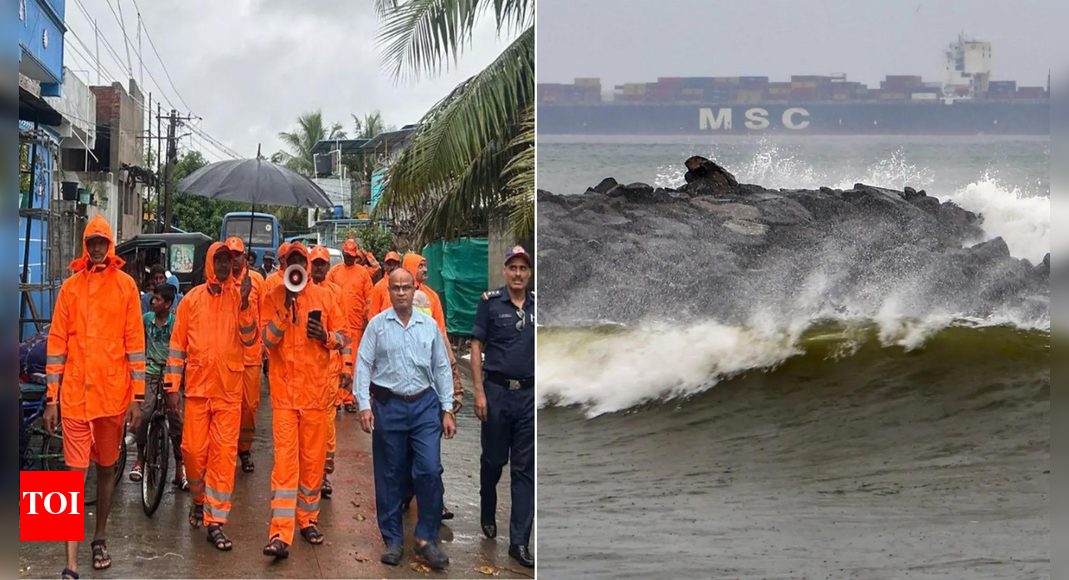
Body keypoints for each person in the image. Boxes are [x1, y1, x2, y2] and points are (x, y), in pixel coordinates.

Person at [44, 215, 145, 578]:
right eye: (92, 241)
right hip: (73, 397)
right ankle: (69, 562)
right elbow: (56, 345)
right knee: (71, 477)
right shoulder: (69, 289)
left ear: (111, 244)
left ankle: (99, 537)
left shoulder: (126, 287)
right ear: (85, 245)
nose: (98, 247)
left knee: (106, 470)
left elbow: (135, 344)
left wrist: (137, 395)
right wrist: (51, 399)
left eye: (103, 241)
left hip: (112, 397)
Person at [355, 268, 456, 570]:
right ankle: (393, 540)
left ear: (415, 291)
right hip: (390, 407)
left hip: (425, 406)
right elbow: (363, 364)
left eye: (406, 288)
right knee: (389, 475)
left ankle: (426, 538)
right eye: (395, 288)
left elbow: (441, 367)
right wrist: (363, 404)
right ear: (389, 290)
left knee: (428, 470)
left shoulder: (429, 326)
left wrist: (447, 408)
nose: (401, 293)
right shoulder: (377, 327)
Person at [165, 242, 257, 551]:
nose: (222, 266)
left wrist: (244, 303)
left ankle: (216, 523)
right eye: (218, 260)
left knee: (222, 458)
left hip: (228, 392)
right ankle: (198, 500)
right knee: (191, 451)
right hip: (197, 392)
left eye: (227, 261)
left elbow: (250, 339)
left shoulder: (241, 297)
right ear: (209, 262)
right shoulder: (191, 301)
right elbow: (177, 348)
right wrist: (171, 387)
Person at [261, 242, 349, 559]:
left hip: (315, 396)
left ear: (307, 266)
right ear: (283, 265)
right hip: (285, 397)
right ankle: (280, 534)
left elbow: (344, 337)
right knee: (285, 466)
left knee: (312, 465)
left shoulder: (326, 297)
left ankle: (308, 520)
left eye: (301, 260)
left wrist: (324, 335)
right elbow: (266, 341)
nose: (296, 265)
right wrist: (286, 308)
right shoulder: (271, 297)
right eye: (291, 261)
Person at [471, 246, 536, 568]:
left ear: (530, 272)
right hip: (496, 393)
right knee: (495, 462)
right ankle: (487, 504)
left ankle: (520, 541)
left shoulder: (538, 306)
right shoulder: (490, 303)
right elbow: (476, 344)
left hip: (528, 396)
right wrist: (479, 393)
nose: (518, 273)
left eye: (523, 268)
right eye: (513, 268)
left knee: (524, 470)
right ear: (505, 271)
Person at [399, 253, 464, 520]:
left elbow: (441, 334)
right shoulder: (396, 294)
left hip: (429, 389)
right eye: (421, 265)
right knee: (404, 452)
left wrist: (453, 382)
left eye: (426, 264)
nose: (425, 269)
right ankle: (404, 495)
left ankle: (436, 502)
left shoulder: (432, 297)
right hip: (402, 389)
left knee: (430, 455)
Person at [129, 283, 186, 490]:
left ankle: (180, 467)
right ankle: (140, 458)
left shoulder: (176, 323)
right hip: (151, 374)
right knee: (144, 415)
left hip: (171, 374)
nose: (153, 302)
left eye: (158, 299)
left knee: (176, 420)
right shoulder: (146, 320)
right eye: (153, 298)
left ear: (168, 304)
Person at [308, 245, 355, 498]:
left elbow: (344, 334)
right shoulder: (299, 291)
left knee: (326, 426)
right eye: (314, 263)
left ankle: (324, 475)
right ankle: (308, 473)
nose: (318, 267)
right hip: (305, 376)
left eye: (322, 263)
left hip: (328, 373)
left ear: (328, 267)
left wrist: (346, 367)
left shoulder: (336, 293)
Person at [223, 238, 266, 474]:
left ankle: (245, 449)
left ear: (245, 255)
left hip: (251, 355)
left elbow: (266, 313)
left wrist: (264, 345)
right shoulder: (222, 281)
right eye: (230, 255)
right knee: (229, 406)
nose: (234, 259)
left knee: (249, 407)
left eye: (237, 254)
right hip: (228, 354)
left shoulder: (257, 281)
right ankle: (228, 450)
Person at [327, 238, 374, 413]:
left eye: (352, 256)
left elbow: (369, 296)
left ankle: (348, 398)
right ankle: (336, 398)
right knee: (336, 362)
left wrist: (367, 317)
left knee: (352, 363)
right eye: (347, 255)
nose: (349, 258)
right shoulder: (334, 272)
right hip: (337, 325)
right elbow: (326, 290)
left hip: (355, 324)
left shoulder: (362, 273)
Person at [367, 251, 402, 319]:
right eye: (389, 264)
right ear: (385, 266)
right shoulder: (379, 286)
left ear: (399, 265)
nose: (392, 267)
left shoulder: (404, 283)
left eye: (394, 264)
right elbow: (373, 313)